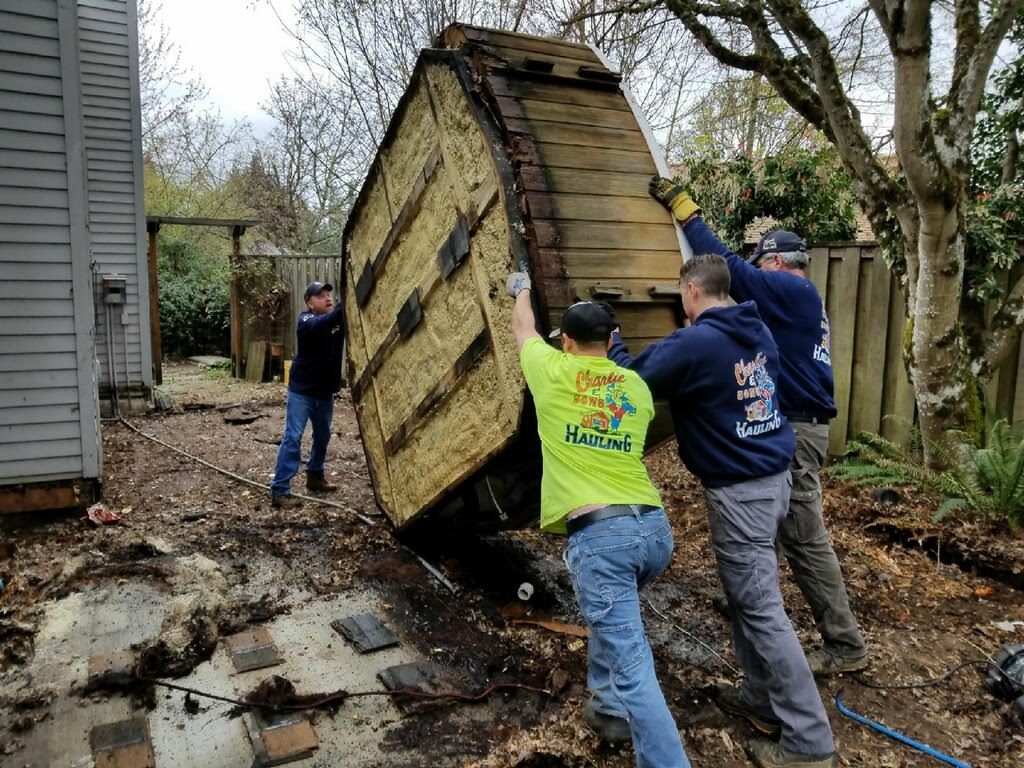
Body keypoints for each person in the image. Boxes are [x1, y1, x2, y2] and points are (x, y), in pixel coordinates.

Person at [608, 254, 836, 768]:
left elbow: (629, 381)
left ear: (691, 291)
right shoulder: (756, 330)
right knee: (747, 598)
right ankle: (760, 698)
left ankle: (809, 742)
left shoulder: (696, 342)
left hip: (741, 493)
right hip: (773, 479)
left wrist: (615, 337)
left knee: (761, 608)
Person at [649, 176, 868, 677]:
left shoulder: (791, 289)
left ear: (775, 263)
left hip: (799, 429)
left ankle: (844, 643)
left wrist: (688, 214)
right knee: (766, 527)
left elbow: (733, 275)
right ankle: (753, 600)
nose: (759, 272)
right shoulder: (798, 299)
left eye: (762, 263)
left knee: (803, 537)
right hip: (794, 425)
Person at [505, 271, 691, 768]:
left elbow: (522, 330)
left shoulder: (550, 370)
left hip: (602, 538)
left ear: (564, 341)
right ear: (610, 341)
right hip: (653, 531)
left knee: (634, 665)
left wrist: (520, 288)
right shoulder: (636, 386)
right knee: (615, 617)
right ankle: (607, 708)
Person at [269, 281, 344, 509]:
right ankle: (280, 491)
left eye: (329, 295)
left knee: (323, 436)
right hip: (302, 391)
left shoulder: (336, 321)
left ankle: (314, 476)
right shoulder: (306, 321)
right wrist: (345, 304)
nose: (327, 298)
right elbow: (322, 324)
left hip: (324, 393)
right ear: (309, 303)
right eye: (320, 296)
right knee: (293, 437)